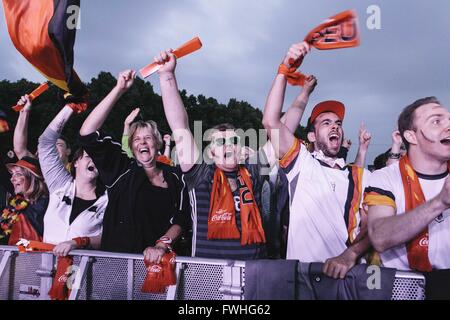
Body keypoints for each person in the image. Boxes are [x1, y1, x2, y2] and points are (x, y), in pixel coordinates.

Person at [154, 48, 281, 259]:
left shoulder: (253, 170)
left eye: (233, 140)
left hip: (253, 276)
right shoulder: (200, 174)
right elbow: (180, 126)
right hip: (209, 277)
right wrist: (167, 75)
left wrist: (288, 78)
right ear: (211, 153)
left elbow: (279, 131)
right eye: (221, 142)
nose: (228, 146)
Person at [262, 41, 372, 279]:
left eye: (338, 123)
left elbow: (372, 226)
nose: (335, 126)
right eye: (326, 122)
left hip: (347, 279)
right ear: (311, 135)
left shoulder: (362, 175)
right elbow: (271, 121)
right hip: (302, 278)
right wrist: (284, 69)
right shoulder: (301, 162)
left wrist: (352, 255)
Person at [79, 70, 190, 263]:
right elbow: (87, 133)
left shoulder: (175, 177)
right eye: (137, 139)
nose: (143, 143)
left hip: (156, 269)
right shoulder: (121, 169)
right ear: (131, 146)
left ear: (157, 144)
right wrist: (118, 89)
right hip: (116, 268)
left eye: (148, 138)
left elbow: (181, 219)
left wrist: (161, 245)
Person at [365, 97, 450, 271]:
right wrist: (440, 201)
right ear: (411, 136)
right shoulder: (385, 178)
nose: (448, 126)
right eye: (436, 121)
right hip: (406, 286)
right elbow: (379, 237)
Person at [37, 98, 108, 256]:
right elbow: (45, 142)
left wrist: (79, 242)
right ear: (75, 162)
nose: (93, 160)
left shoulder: (107, 199)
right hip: (46, 271)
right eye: (88, 156)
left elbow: (110, 237)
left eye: (97, 158)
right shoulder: (60, 185)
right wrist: (70, 108)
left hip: (82, 273)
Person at [0, 156, 48, 245]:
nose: (12, 179)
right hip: (12, 256)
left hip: (36, 256)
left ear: (32, 177)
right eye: (12, 174)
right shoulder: (15, 204)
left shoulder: (45, 204)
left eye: (18, 174)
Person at [14, 95, 71, 168]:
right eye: (46, 145)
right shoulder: (39, 170)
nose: (51, 148)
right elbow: (19, 149)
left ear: (68, 151)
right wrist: (24, 111)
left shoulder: (77, 170)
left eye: (58, 144)